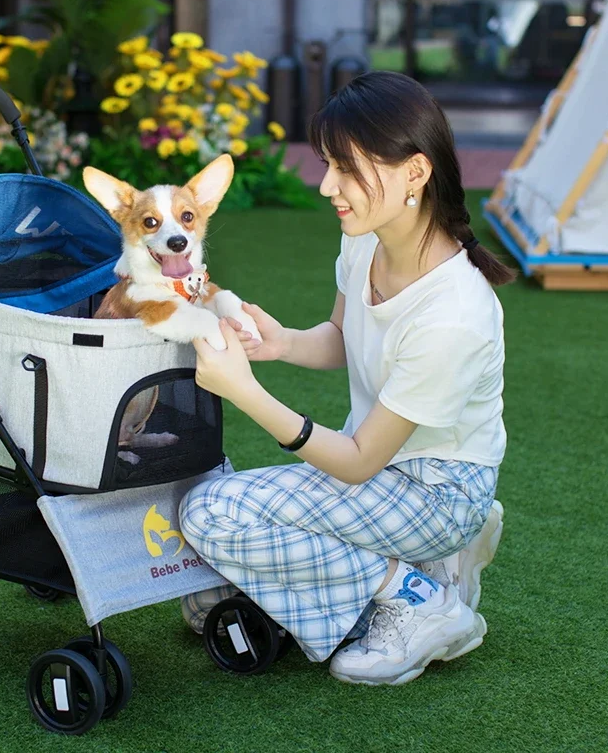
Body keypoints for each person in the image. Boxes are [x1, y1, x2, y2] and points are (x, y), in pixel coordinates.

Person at [178, 70, 514, 686]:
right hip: (383, 473)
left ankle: (418, 597)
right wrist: (279, 344)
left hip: (436, 491)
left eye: (349, 170)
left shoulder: (455, 314)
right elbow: (342, 338)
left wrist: (247, 392)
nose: (329, 186)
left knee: (211, 517)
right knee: (204, 576)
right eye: (329, 165)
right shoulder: (367, 238)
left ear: (415, 172)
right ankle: (426, 567)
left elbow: (359, 461)